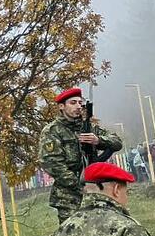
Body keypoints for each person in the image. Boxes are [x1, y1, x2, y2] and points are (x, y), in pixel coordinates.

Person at [37, 88, 122, 223]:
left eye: (80, 103)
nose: (78, 106)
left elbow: (117, 142)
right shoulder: (52, 131)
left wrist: (98, 140)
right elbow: (52, 164)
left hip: (96, 192)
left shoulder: (87, 127)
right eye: (73, 103)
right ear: (61, 107)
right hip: (69, 197)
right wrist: (81, 186)